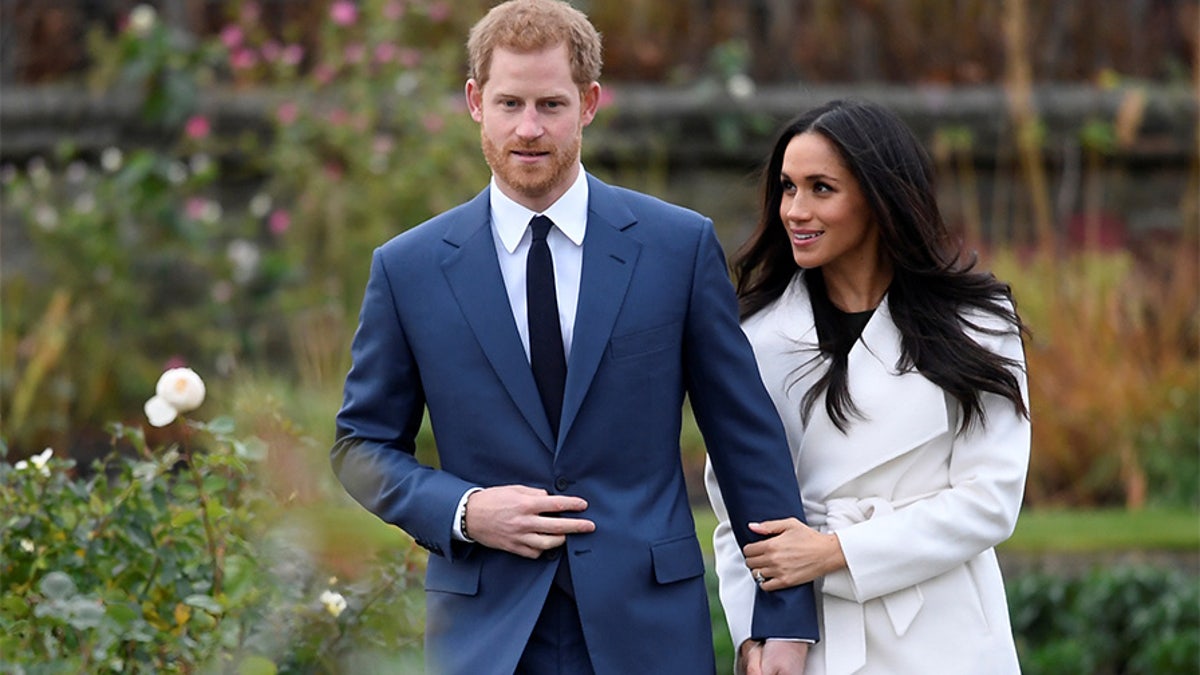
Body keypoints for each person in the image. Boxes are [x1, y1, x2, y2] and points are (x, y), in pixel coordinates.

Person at [331, 1, 818, 672]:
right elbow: (359, 446)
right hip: (487, 634)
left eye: (551, 105)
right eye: (509, 103)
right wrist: (467, 510)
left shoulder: (677, 247)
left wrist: (785, 617)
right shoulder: (408, 269)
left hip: (648, 632)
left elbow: (745, 441)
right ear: (475, 101)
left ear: (590, 102)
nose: (528, 129)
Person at [705, 99, 1031, 675]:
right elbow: (737, 515)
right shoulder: (754, 338)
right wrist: (755, 639)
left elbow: (991, 501)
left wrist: (836, 552)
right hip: (812, 644)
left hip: (944, 635)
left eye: (821, 188)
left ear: (880, 199)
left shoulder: (979, 324)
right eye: (787, 187)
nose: (795, 211)